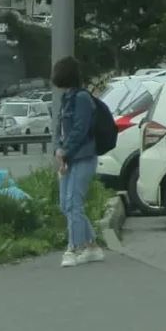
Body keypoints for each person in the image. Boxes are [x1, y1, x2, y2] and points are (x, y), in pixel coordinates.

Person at [51, 56, 104, 267]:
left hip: (83, 157)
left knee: (74, 202)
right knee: (66, 204)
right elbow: (59, 128)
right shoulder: (67, 98)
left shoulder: (82, 98)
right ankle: (92, 246)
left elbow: (80, 129)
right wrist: (58, 149)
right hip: (69, 158)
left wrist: (65, 151)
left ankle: (73, 248)